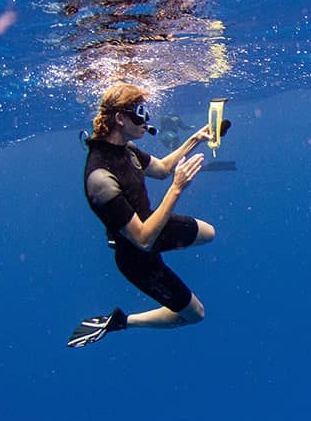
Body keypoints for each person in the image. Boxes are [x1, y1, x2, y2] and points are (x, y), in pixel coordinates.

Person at [67, 83, 218, 347]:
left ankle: (116, 231)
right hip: (137, 256)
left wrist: (196, 138)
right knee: (195, 315)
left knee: (209, 233)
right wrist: (177, 188)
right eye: (140, 111)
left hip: (151, 226)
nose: (146, 119)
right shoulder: (100, 177)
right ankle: (122, 321)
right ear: (120, 119)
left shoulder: (125, 149)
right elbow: (144, 241)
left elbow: (160, 169)